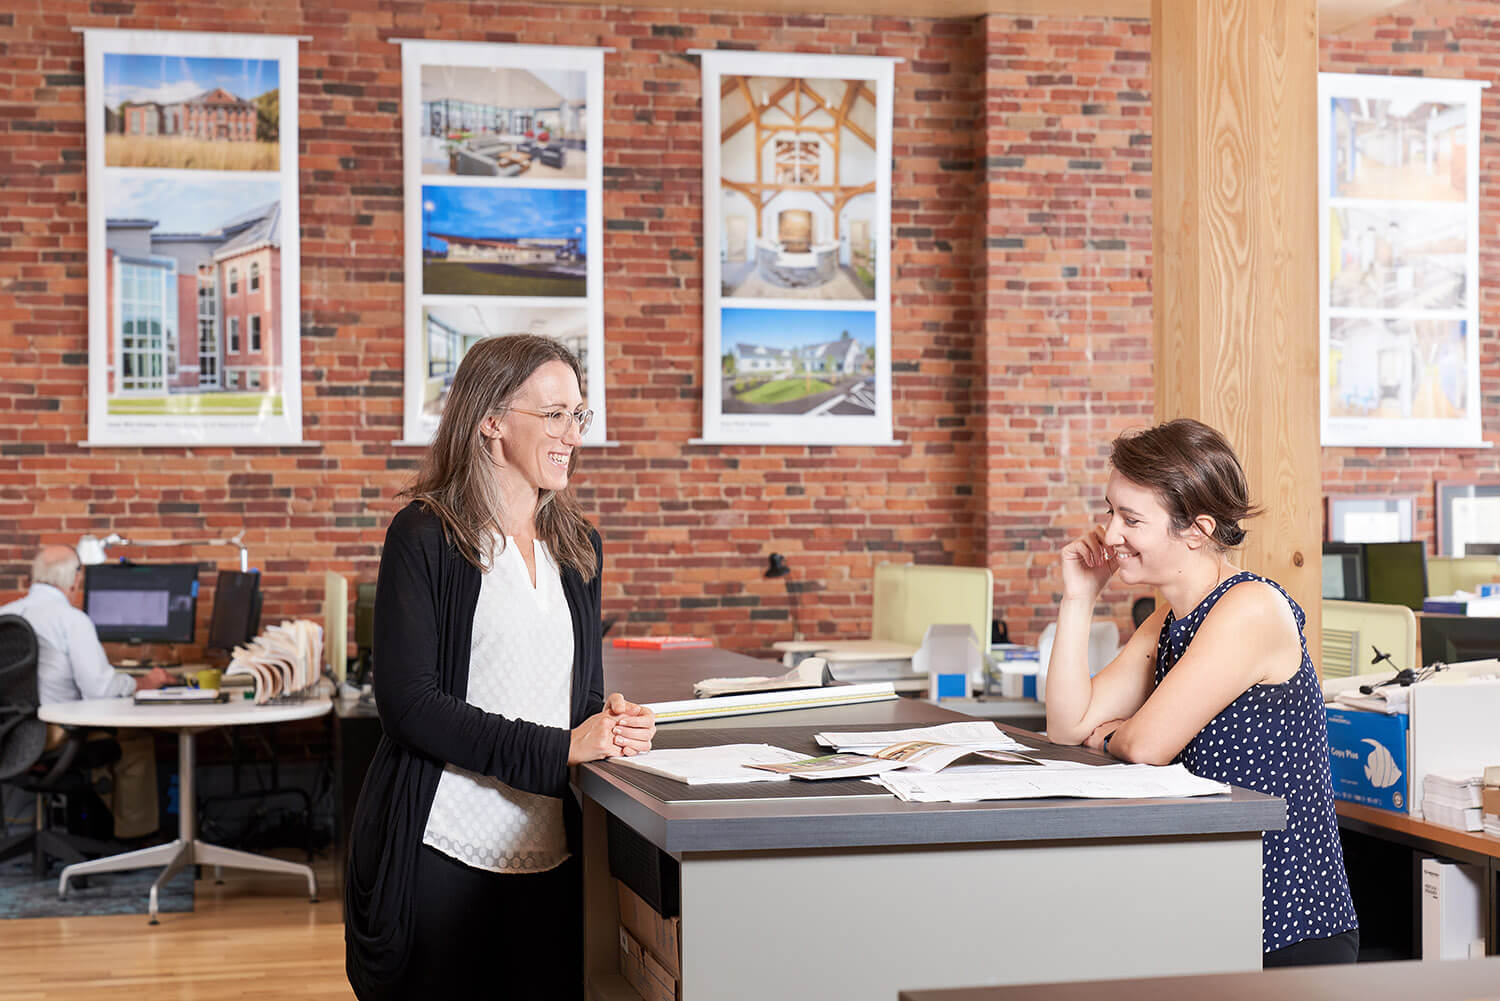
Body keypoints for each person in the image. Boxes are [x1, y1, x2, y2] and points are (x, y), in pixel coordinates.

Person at [344, 335, 656, 1001]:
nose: (571, 433)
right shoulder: (424, 536)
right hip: (442, 851)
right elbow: (408, 704)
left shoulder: (578, 549)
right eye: (553, 414)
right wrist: (563, 746)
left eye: (578, 415)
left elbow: (579, 697)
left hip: (549, 848)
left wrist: (609, 726)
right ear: (490, 420)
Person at [1045, 418, 1358, 967]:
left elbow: (1145, 745)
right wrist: (1079, 598)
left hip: (1284, 925)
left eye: (1131, 519)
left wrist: (1115, 733)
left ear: (1196, 529)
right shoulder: (1169, 619)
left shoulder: (1250, 607)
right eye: (1110, 511)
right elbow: (1067, 727)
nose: (1110, 533)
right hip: (1215, 908)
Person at [0, 545, 172, 840]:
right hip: (52, 735)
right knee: (137, 740)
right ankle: (134, 840)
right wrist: (142, 683)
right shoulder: (71, 620)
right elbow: (100, 690)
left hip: (9, 735)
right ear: (74, 582)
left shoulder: (4, 616)